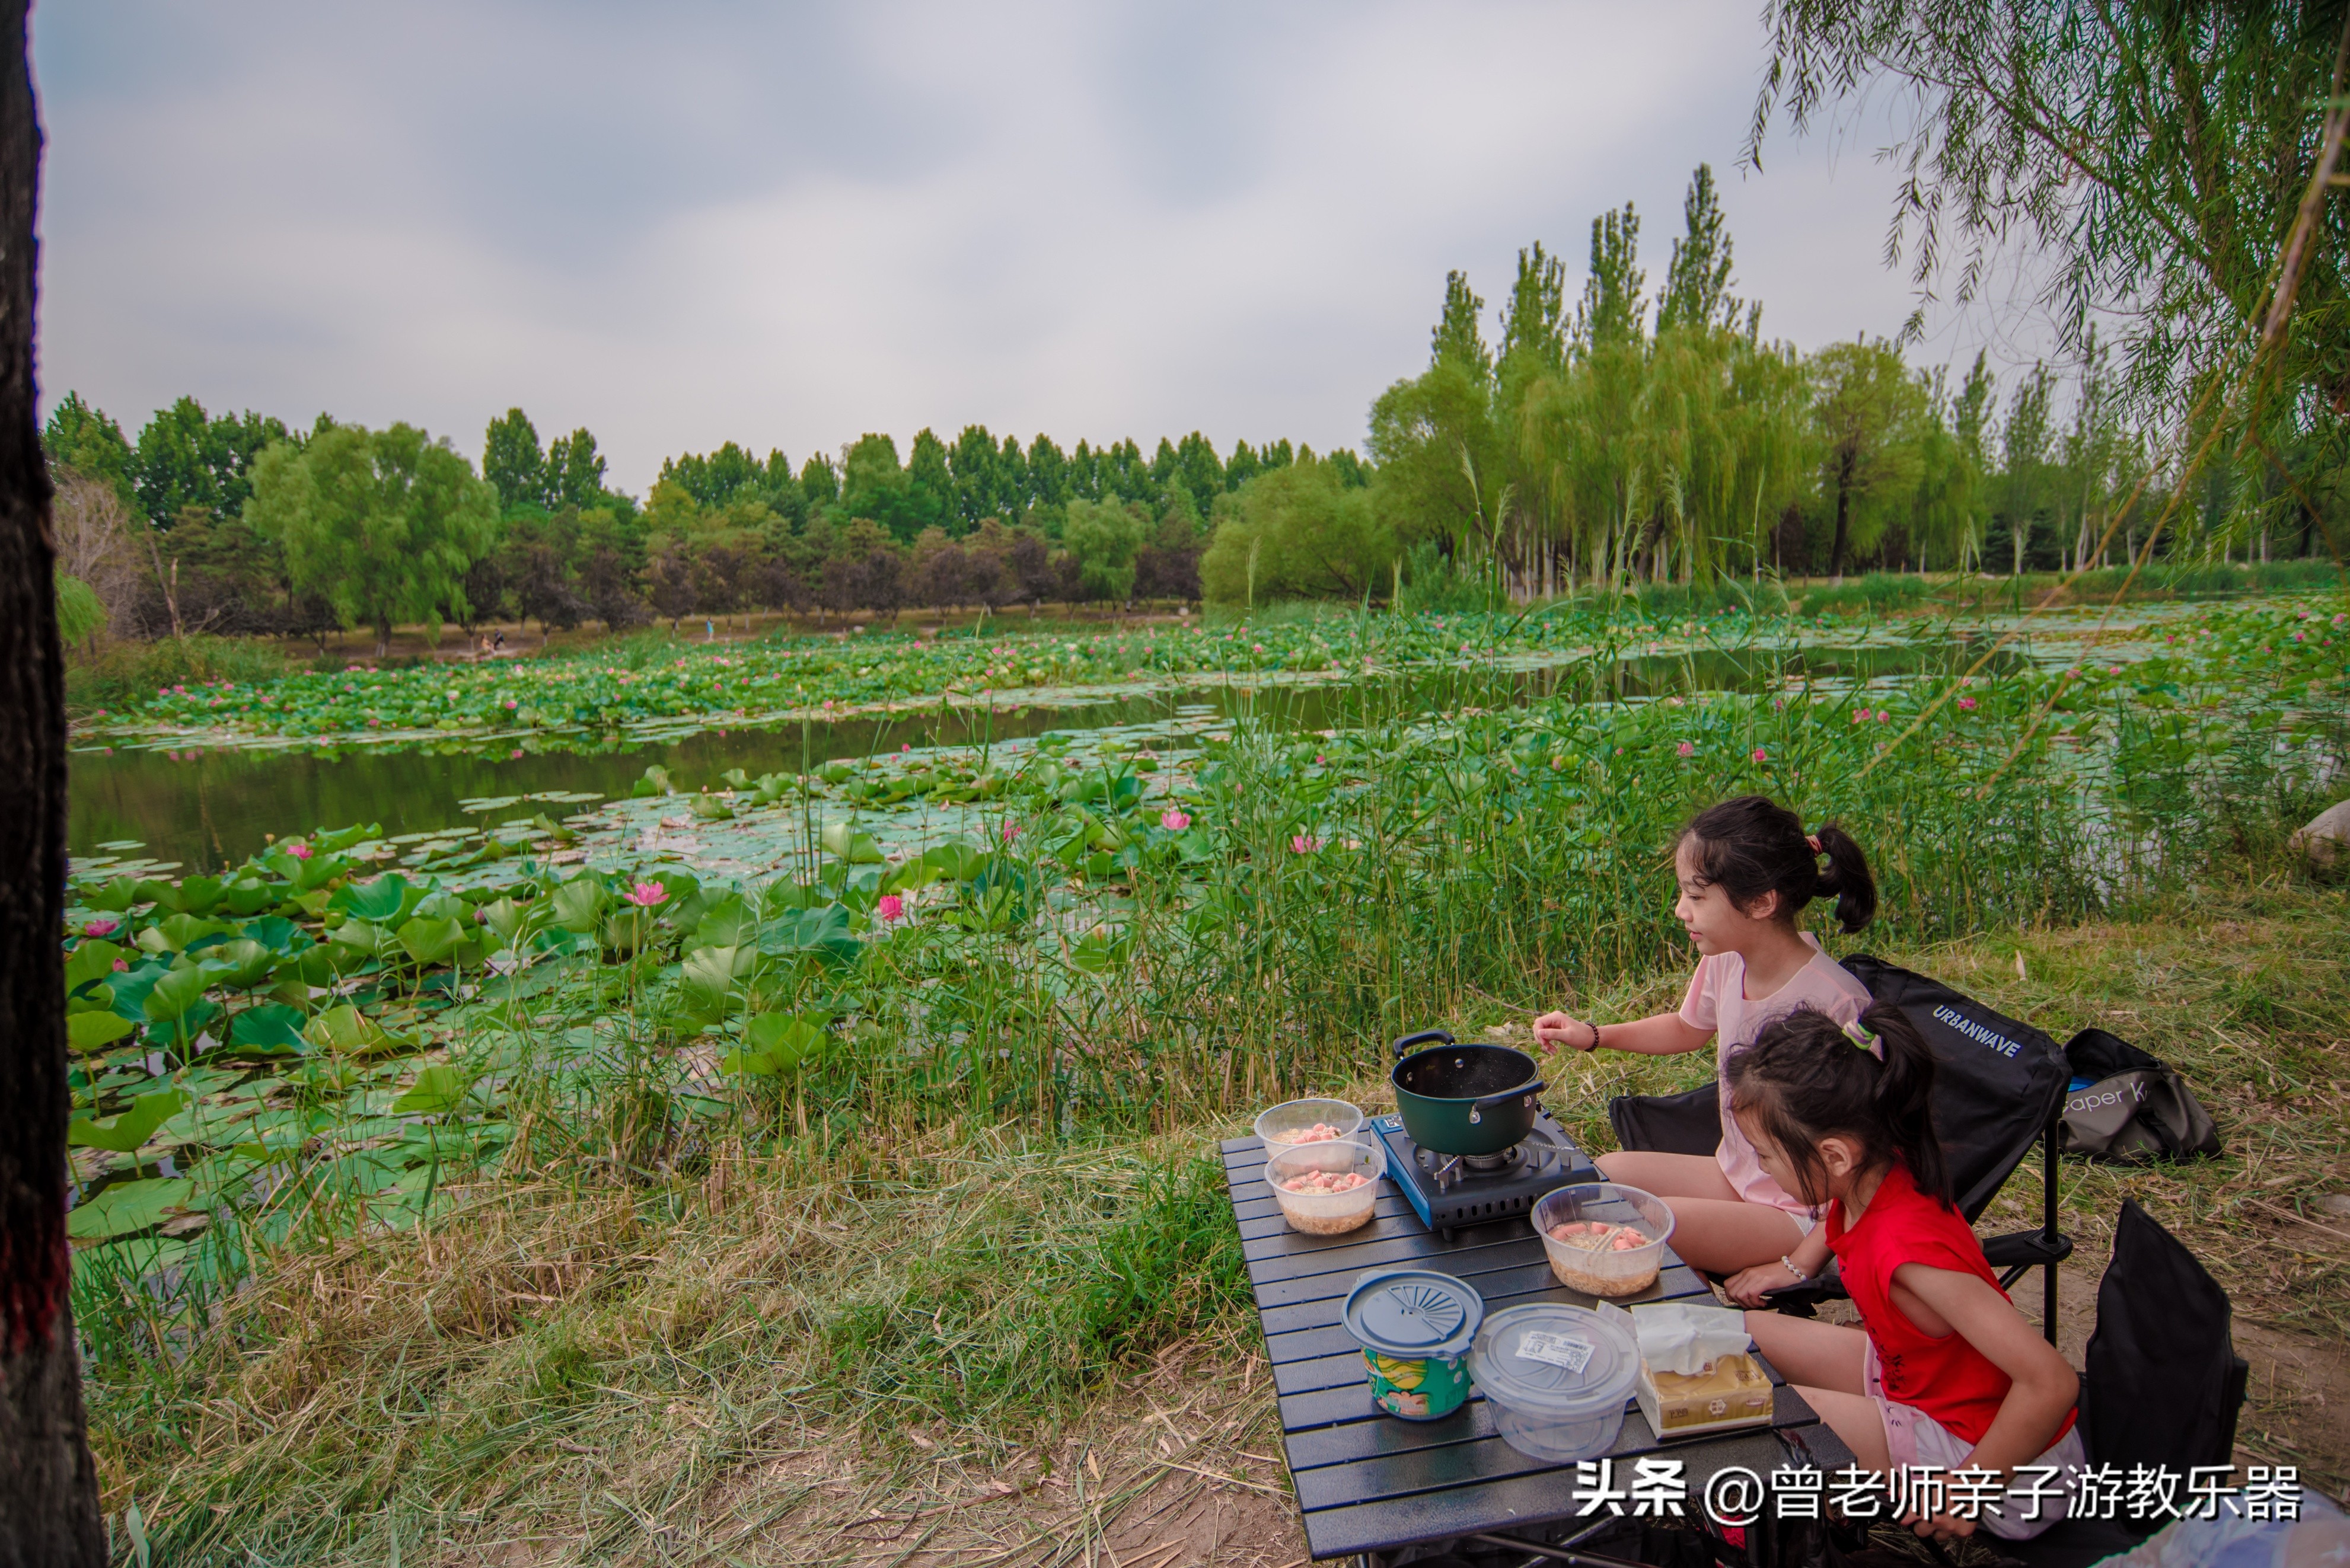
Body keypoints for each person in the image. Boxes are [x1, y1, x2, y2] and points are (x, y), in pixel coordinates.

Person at [1731, 1004, 2084, 1541]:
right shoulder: (1869, 1174)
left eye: (1765, 1155)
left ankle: (1749, 1539)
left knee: (1760, 1416)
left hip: (2008, 1465)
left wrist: (1967, 1489)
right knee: (1738, 1338)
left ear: (1833, 1155)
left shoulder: (1911, 1255)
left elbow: (2051, 1381)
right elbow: (1841, 1227)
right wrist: (1795, 1265)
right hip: (1922, 1385)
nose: (1760, 1168)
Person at [1532, 795, 1876, 1285]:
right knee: (1597, 1176)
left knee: (1652, 1224)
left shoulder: (1836, 1005)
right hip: (1735, 1173)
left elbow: (1868, 1167)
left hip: (1803, 1212)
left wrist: (1796, 1264)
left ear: (1760, 902)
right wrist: (1591, 1035)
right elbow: (1687, 1027)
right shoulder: (1728, 956)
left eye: (1696, 897)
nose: (1680, 911)